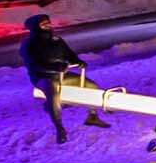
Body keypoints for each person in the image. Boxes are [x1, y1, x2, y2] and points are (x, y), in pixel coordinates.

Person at [20, 15, 104, 143]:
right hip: (43, 77)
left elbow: (69, 54)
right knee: (54, 96)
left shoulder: (56, 40)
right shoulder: (29, 44)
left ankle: (92, 116)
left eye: (48, 22)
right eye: (43, 24)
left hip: (62, 74)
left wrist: (78, 62)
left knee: (92, 86)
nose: (48, 25)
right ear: (35, 27)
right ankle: (59, 128)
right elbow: (34, 66)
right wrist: (54, 68)